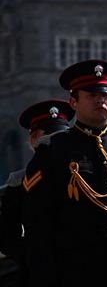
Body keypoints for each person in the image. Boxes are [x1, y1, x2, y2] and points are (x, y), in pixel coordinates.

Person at [22, 60, 107, 287]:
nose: (101, 100)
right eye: (91, 95)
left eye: (106, 94)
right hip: (75, 272)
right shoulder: (53, 151)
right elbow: (38, 228)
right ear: (73, 101)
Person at [0, 99, 74, 286]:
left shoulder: (83, 172)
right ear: (33, 140)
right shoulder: (19, 182)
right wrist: (34, 255)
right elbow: (8, 235)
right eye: (48, 136)